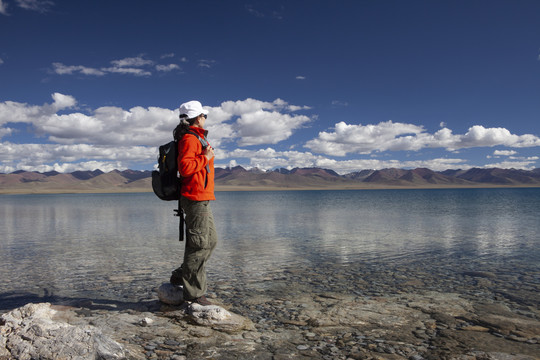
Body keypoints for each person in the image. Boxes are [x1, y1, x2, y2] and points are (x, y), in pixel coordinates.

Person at [170, 100, 217, 306]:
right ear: (198, 118)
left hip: (202, 197)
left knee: (210, 241)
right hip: (195, 197)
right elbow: (185, 167)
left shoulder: (197, 137)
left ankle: (183, 274)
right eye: (204, 115)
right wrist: (205, 158)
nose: (205, 118)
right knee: (199, 245)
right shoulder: (190, 138)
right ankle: (194, 293)